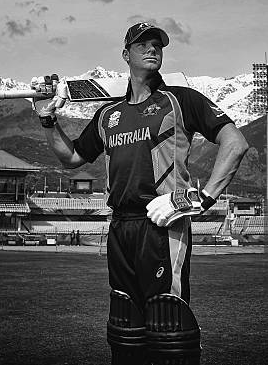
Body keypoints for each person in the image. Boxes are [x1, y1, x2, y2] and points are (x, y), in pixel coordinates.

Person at [33, 22, 248, 365]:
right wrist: (47, 120)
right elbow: (73, 158)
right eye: (142, 44)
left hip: (163, 224)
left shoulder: (181, 100)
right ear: (125, 55)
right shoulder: (108, 115)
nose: (152, 49)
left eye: (157, 45)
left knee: (168, 325)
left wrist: (198, 199)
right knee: (125, 328)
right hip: (120, 227)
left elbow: (235, 144)